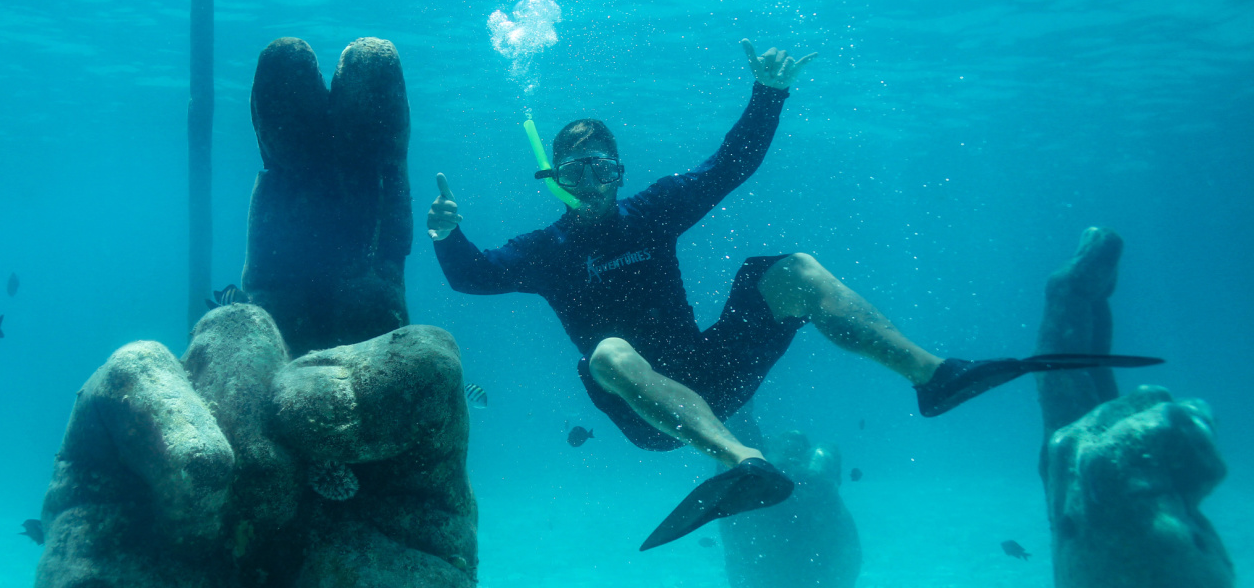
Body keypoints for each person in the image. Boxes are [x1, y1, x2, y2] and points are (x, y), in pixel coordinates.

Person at [427, 39, 1157, 550]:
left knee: (788, 271)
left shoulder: (652, 210)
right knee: (607, 353)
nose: (593, 179)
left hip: (715, 372)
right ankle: (737, 462)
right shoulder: (547, 252)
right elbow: (473, 275)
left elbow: (729, 166)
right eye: (576, 169)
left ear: (619, 171)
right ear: (553, 177)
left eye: (603, 165)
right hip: (649, 415)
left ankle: (934, 375)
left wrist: (768, 93)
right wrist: (447, 236)